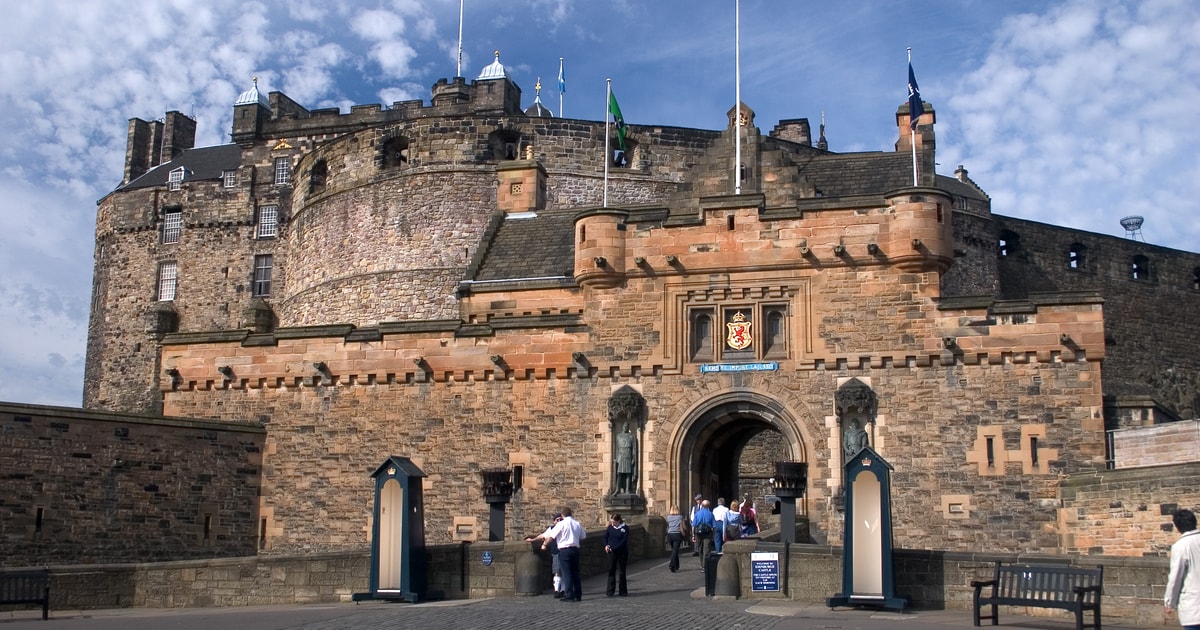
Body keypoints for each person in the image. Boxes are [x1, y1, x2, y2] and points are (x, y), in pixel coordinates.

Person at [541, 506, 586, 602]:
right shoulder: (577, 523)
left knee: (567, 573)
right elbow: (583, 536)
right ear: (571, 514)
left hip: (565, 550)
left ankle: (569, 595)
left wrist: (544, 544)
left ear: (562, 515)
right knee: (575, 573)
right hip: (575, 549)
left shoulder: (561, 524)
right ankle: (578, 595)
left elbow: (551, 536)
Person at [1165, 508, 1200, 630]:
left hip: (1194, 609)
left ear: (1177, 527)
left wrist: (1169, 603)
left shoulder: (1180, 546)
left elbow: (1175, 577)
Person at [525, 513, 564, 598]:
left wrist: (544, 544)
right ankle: (557, 590)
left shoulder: (566, 527)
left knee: (565, 572)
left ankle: (564, 590)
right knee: (557, 571)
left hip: (565, 551)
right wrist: (533, 540)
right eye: (557, 520)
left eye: (561, 519)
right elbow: (543, 536)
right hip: (557, 552)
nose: (559, 521)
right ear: (554, 521)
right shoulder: (552, 528)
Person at [604, 513, 629, 596]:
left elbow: (623, 541)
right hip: (611, 553)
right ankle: (610, 591)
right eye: (611, 521)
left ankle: (623, 591)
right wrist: (606, 545)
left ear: (618, 521)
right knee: (611, 570)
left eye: (614, 522)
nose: (612, 523)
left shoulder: (625, 528)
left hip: (622, 552)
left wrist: (614, 548)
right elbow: (605, 537)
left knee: (622, 571)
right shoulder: (610, 527)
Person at [691, 499, 716, 567]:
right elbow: (714, 526)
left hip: (698, 534)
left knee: (700, 549)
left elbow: (693, 526)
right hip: (708, 534)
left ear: (702, 505)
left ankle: (702, 564)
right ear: (708, 506)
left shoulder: (697, 514)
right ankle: (705, 565)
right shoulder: (710, 514)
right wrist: (713, 535)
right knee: (706, 549)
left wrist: (693, 535)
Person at [615, 423, 637, 494]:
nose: (625, 427)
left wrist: (634, 457)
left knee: (628, 473)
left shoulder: (632, 436)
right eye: (624, 426)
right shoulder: (618, 436)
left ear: (628, 427)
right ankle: (617, 489)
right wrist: (617, 458)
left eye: (627, 426)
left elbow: (634, 448)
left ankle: (627, 489)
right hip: (621, 455)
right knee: (619, 473)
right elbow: (617, 448)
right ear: (622, 427)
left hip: (628, 455)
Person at [666, 505, 685, 572]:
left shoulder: (668, 517)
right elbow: (682, 527)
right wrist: (684, 533)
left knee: (674, 550)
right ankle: (672, 565)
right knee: (675, 551)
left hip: (670, 535)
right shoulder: (680, 517)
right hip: (677, 534)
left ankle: (676, 565)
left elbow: (668, 526)